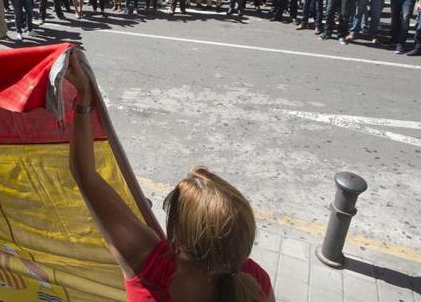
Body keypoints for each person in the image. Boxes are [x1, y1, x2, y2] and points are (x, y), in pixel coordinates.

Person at [63, 51, 275, 302]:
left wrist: (84, 96)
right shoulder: (256, 281)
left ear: (178, 243)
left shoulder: (150, 269)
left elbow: (85, 175)